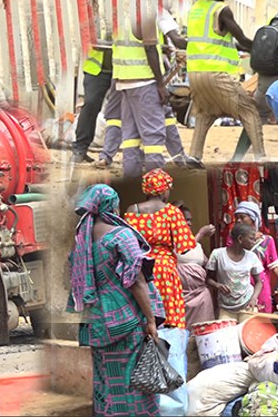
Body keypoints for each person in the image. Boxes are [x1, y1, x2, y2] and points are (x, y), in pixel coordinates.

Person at [67, 184, 161, 417]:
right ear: (111, 205)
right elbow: (137, 281)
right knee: (134, 379)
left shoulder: (82, 242)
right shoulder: (121, 235)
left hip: (96, 323)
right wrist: (151, 319)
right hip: (125, 320)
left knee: (106, 380)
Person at [124, 169, 196, 416]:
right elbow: (186, 247)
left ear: (146, 188)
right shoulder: (172, 213)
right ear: (164, 189)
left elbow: (128, 244)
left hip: (142, 273)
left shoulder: (131, 211)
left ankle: (150, 405)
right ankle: (174, 406)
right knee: (172, 333)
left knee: (148, 330)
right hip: (165, 273)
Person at [185, 0, 266, 160]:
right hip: (217, 73)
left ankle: (194, 156)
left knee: (205, 113)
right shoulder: (221, 10)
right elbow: (243, 39)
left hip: (195, 73)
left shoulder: (196, 9)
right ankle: (261, 157)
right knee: (249, 111)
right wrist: (262, 49)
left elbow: (213, 41)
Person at [110, 4, 171, 179]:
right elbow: (150, 48)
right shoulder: (144, 12)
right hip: (144, 82)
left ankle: (132, 183)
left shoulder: (119, 13)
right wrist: (161, 84)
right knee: (153, 139)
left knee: (130, 138)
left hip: (124, 82)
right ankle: (156, 188)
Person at [223, 201, 278, 314]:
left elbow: (275, 267)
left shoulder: (267, 241)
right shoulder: (233, 240)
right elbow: (231, 258)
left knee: (262, 322)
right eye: (237, 218)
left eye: (242, 217)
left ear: (253, 219)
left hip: (261, 288)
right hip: (238, 288)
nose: (239, 221)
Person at [206, 222, 264, 321]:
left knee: (247, 335)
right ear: (240, 239)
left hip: (247, 305)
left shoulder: (252, 257)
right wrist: (217, 285)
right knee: (226, 334)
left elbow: (259, 282)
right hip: (226, 308)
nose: (253, 242)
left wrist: (254, 298)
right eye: (251, 239)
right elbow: (208, 279)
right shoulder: (218, 254)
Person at [172, 203, 216, 329]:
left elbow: (207, 264)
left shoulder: (196, 244)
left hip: (201, 298)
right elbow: (182, 252)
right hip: (181, 298)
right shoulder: (168, 241)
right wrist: (201, 234)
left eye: (190, 220)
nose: (189, 223)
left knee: (203, 333)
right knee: (182, 334)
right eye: (186, 219)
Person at [73, 38, 113, 164]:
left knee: (121, 111)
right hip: (96, 70)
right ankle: (80, 149)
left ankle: (113, 153)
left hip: (123, 70)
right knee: (90, 105)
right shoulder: (96, 19)